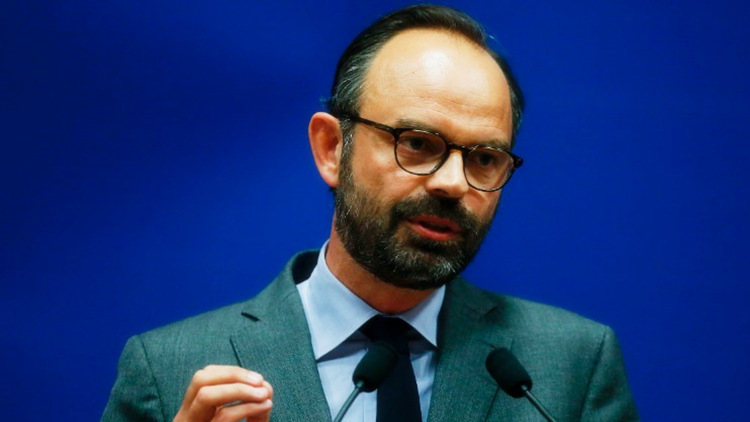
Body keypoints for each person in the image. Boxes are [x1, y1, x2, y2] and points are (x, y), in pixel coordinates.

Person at [102, 5, 638, 422]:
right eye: (418, 143)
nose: (453, 183)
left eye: (484, 158)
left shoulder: (571, 364)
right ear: (331, 148)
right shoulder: (167, 368)